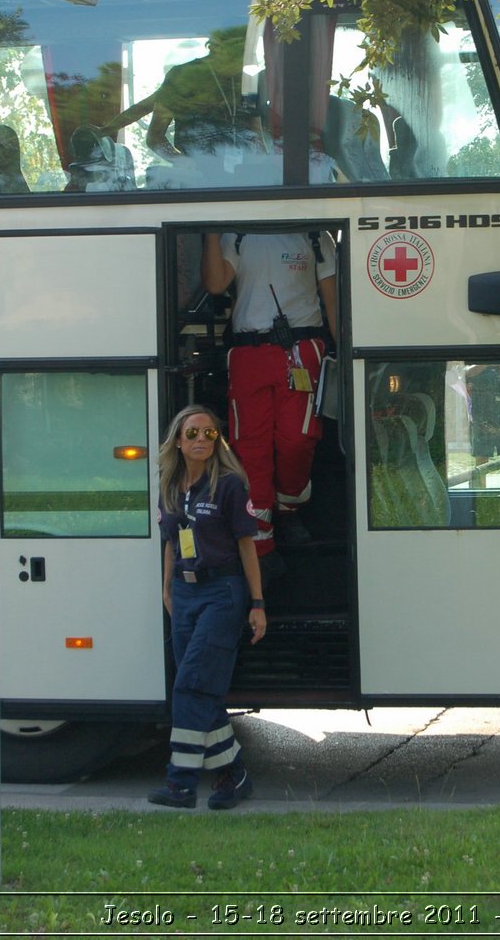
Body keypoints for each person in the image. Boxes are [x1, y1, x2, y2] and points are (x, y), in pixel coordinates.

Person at [148, 404, 265, 811]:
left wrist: (257, 603)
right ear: (178, 441)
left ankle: (180, 783)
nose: (201, 440)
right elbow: (169, 541)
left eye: (210, 434)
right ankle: (234, 775)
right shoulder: (169, 483)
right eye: (193, 433)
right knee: (205, 690)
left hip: (222, 593)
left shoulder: (230, 485)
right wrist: (166, 589)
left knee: (190, 684)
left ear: (218, 442)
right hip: (184, 593)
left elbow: (247, 547)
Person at [201, 231, 337, 573]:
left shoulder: (314, 235)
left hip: (302, 350)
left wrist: (349, 355)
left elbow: (333, 302)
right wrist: (210, 232)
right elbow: (216, 285)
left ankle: (289, 509)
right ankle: (260, 548)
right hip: (248, 351)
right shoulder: (239, 233)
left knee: (298, 439)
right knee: (251, 447)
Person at [102, 26, 263, 162]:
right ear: (217, 48)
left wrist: (265, 165)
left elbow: (257, 135)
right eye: (240, 52)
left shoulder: (245, 81)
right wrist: (183, 165)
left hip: (243, 178)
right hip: (196, 176)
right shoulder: (184, 76)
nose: (246, 60)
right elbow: (154, 136)